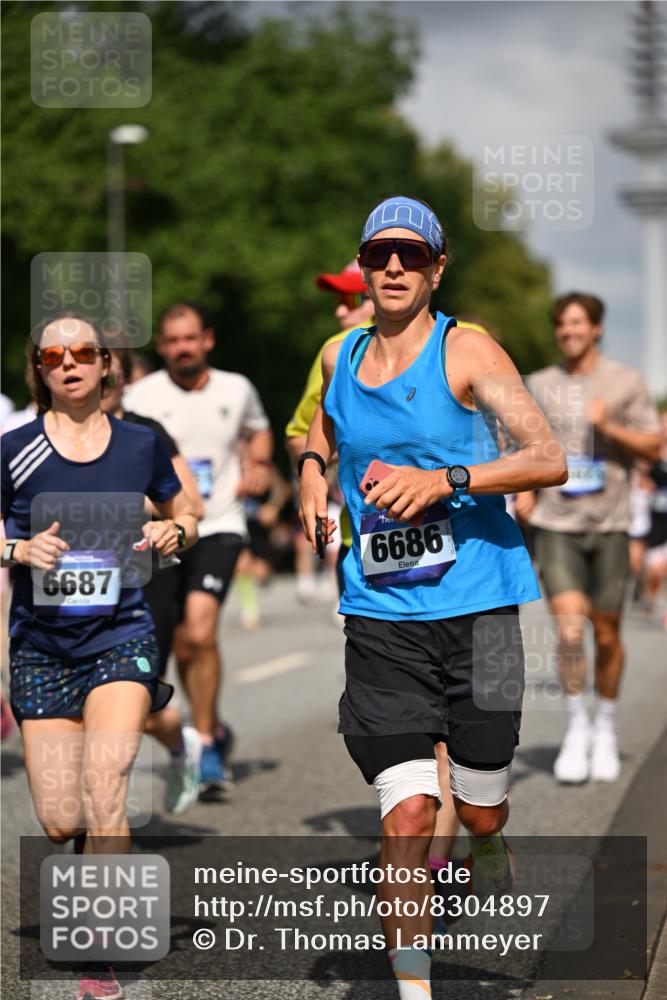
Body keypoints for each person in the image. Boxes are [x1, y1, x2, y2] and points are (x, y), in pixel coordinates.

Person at [299, 195, 566, 999]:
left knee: (477, 808)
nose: (391, 268)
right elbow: (319, 438)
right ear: (363, 262)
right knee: (410, 814)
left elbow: (546, 456)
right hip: (382, 616)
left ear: (435, 268)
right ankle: (412, 990)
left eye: (409, 256)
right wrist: (313, 483)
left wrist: (444, 479)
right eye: (379, 254)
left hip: (479, 608)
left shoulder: (469, 352)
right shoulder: (334, 357)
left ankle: (488, 839)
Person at [1, 313, 197, 1000]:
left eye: (84, 351)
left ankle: (100, 953)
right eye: (54, 354)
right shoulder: (14, 450)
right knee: (62, 819)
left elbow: (187, 513)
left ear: (107, 364)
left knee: (106, 789)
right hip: (43, 648)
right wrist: (16, 550)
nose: (70, 362)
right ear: (40, 368)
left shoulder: (141, 445)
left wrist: (175, 529)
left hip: (121, 634)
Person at [124, 301, 272, 792]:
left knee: (200, 631)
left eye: (190, 338)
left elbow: (258, 430)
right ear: (161, 347)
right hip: (161, 529)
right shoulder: (142, 397)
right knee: (172, 643)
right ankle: (203, 727)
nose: (182, 348)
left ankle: (206, 741)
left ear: (206, 339)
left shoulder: (237, 388)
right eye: (171, 341)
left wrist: (259, 465)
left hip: (221, 524)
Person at [517, 293, 661, 783]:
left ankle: (607, 727)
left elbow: (653, 443)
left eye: (577, 324)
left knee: (607, 632)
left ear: (596, 328)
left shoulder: (626, 380)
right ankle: (577, 725)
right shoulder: (537, 384)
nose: (568, 332)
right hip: (557, 524)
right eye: (561, 324)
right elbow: (520, 446)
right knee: (572, 629)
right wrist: (525, 491)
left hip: (612, 524)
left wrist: (609, 427)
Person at [101, 348, 204, 815]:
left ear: (124, 381)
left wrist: (137, 507)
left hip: (144, 578)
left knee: (134, 699)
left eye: (110, 378)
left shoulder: (147, 433)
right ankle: (99, 818)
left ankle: (180, 745)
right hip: (75, 582)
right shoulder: (51, 436)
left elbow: (191, 506)